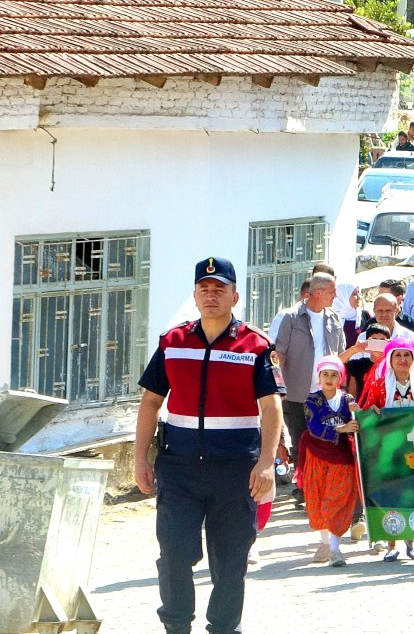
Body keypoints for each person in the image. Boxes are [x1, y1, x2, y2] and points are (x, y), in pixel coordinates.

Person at [133, 257, 283, 634]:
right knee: (173, 555)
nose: (211, 296)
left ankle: (224, 628)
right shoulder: (173, 342)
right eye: (205, 289)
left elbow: (271, 408)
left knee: (231, 563)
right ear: (195, 295)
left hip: (235, 471)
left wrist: (266, 463)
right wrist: (139, 458)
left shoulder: (257, 346)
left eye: (220, 289)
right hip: (179, 468)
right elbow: (151, 402)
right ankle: (176, 626)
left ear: (235, 296)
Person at [357, 338, 414, 562]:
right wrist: (371, 411)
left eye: (407, 355)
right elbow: (367, 413)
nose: (402, 359)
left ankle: (411, 540)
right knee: (391, 494)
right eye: (398, 355)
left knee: (413, 493)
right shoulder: (379, 385)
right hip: (388, 452)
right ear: (390, 359)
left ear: (413, 358)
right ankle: (391, 544)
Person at [274, 272, 344, 506]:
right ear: (317, 292)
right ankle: (305, 488)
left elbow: (339, 355)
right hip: (296, 392)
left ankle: (323, 487)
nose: (335, 295)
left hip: (327, 394)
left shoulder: (334, 318)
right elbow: (280, 353)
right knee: (302, 441)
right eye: (332, 291)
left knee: (326, 440)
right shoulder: (292, 318)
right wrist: (277, 386)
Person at [298, 356, 360, 568]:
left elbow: (358, 419)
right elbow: (314, 426)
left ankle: (335, 547)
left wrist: (362, 414)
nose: (329, 378)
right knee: (317, 500)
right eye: (325, 374)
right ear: (319, 377)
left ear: (340, 378)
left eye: (334, 375)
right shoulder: (311, 400)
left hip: (341, 457)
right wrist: (341, 429)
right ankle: (324, 542)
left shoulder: (347, 400)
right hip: (316, 455)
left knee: (336, 501)